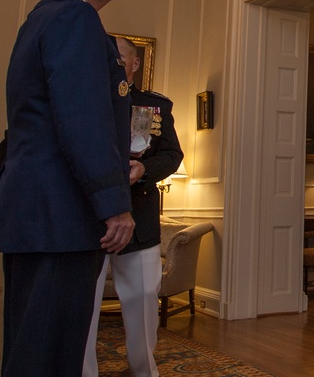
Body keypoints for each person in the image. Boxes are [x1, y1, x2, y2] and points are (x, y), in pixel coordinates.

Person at [0, 0, 135, 376]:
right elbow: (82, 120)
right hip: (61, 215)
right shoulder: (74, 19)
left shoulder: (41, 20)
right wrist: (115, 204)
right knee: (50, 354)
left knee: (32, 347)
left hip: (37, 213)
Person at [83, 37, 184, 377]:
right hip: (88, 218)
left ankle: (143, 370)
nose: (112, 63)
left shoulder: (154, 106)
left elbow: (172, 155)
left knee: (142, 299)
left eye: (119, 57)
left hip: (138, 216)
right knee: (84, 305)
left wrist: (144, 171)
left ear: (135, 64)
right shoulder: (82, 98)